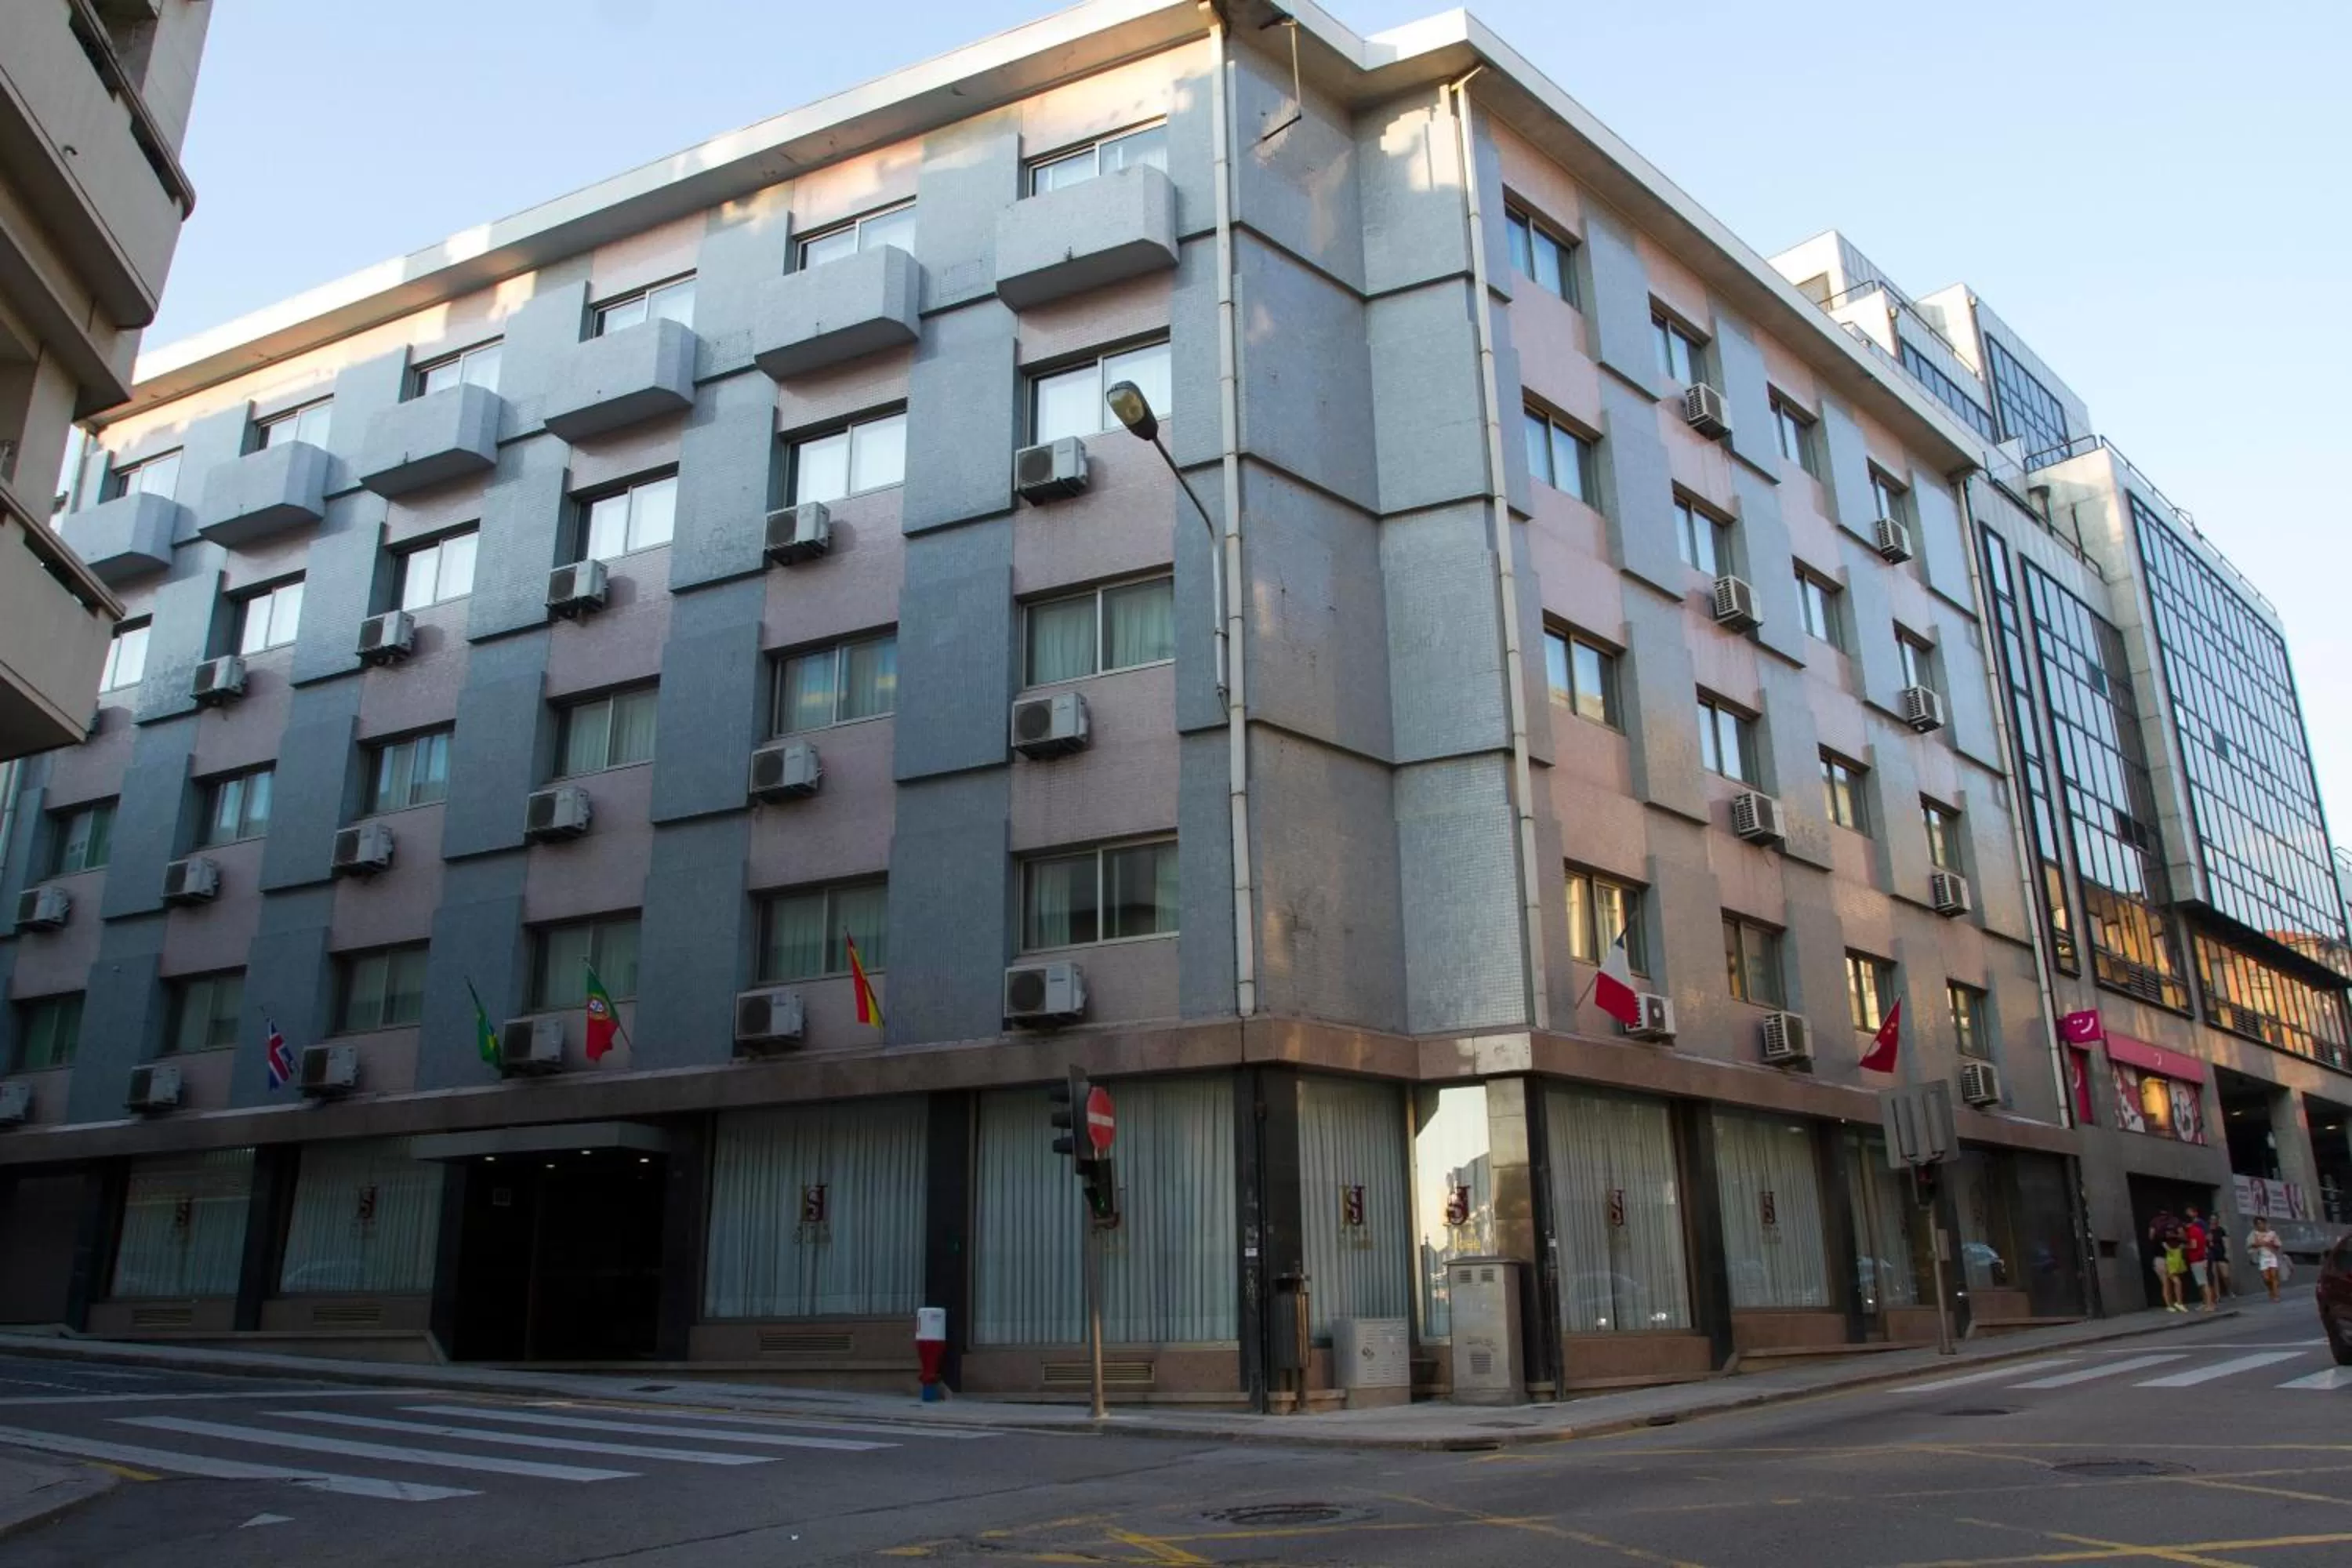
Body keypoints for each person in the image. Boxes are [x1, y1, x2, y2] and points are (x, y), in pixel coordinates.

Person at [2151, 1212, 2185, 1312]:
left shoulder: (2162, 1239)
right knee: (2168, 1282)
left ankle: (2172, 1304)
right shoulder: (2161, 1240)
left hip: (2164, 1259)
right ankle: (2172, 1304)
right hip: (2162, 1259)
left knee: (2168, 1282)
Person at [2183, 1207, 2215, 1312]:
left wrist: (2184, 1247)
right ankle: (2206, 1303)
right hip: (2201, 1258)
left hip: (2197, 1259)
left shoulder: (2192, 1231)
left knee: (2204, 1282)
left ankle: (2210, 1304)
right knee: (2202, 1282)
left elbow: (2194, 1245)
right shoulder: (2199, 1230)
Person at [2249, 1218, 2285, 1303]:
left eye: (2262, 1223)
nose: (2260, 1225)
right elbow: (2252, 1244)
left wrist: (2271, 1244)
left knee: (2274, 1276)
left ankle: (2276, 1295)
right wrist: (2260, 1243)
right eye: (2258, 1224)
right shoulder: (2255, 1234)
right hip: (2263, 1257)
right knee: (2266, 1278)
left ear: (2265, 1224)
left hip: (2272, 1256)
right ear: (2256, 1225)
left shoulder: (2272, 1233)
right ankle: (2271, 1289)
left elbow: (2278, 1245)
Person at [2207, 1210, 2232, 1301]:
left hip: (2221, 1254)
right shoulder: (2207, 1230)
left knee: (2225, 1275)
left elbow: (2226, 1241)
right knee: (2214, 1276)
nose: (2214, 1221)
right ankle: (2217, 1296)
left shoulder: (2221, 1230)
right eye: (2212, 1219)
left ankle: (2229, 1291)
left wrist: (2228, 1253)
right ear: (2209, 1220)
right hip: (2211, 1254)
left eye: (2215, 1219)